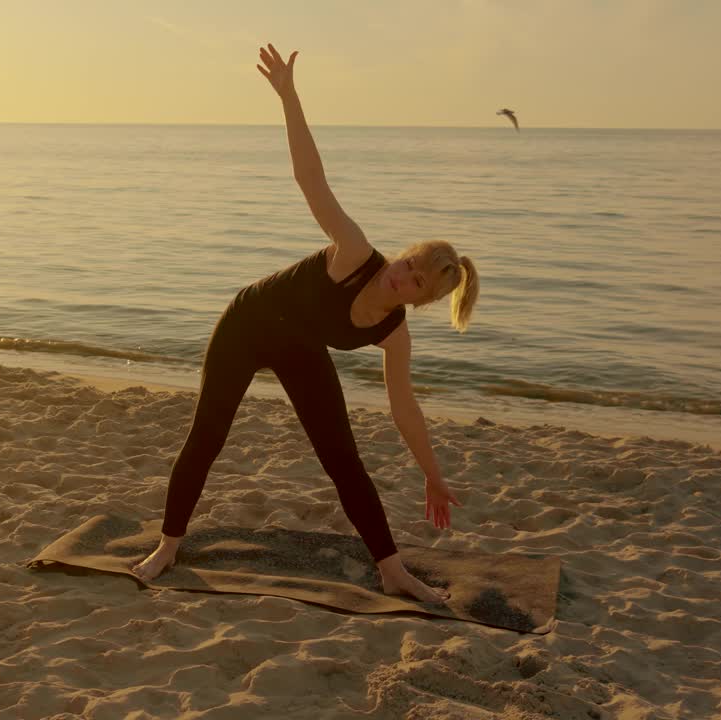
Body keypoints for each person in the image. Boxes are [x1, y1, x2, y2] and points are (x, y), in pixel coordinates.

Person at [132, 44, 479, 604]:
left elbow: (405, 408)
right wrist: (290, 97)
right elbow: (310, 179)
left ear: (422, 300)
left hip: (299, 345)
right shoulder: (354, 252)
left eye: (415, 281)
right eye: (407, 262)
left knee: (342, 458)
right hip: (246, 325)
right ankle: (169, 544)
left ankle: (391, 570)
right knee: (208, 436)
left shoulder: (393, 334)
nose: (401, 276)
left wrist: (433, 474)